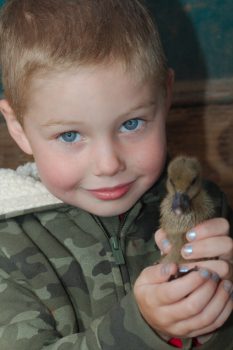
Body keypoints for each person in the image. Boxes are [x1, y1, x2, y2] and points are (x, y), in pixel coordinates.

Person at [0, 0, 232, 349]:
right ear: (17, 127)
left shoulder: (203, 206)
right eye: (69, 135)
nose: (109, 164)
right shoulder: (8, 244)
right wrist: (142, 329)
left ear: (165, 95)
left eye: (131, 124)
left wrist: (215, 304)